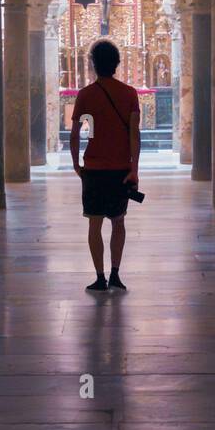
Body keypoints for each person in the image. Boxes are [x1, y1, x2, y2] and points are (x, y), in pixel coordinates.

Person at [69, 39, 141, 293]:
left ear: (93, 64)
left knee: (94, 223)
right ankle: (115, 274)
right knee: (118, 221)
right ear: (117, 64)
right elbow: (134, 134)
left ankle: (99, 276)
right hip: (120, 168)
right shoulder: (129, 94)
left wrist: (76, 163)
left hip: (94, 168)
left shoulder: (86, 95)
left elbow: (77, 132)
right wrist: (134, 168)